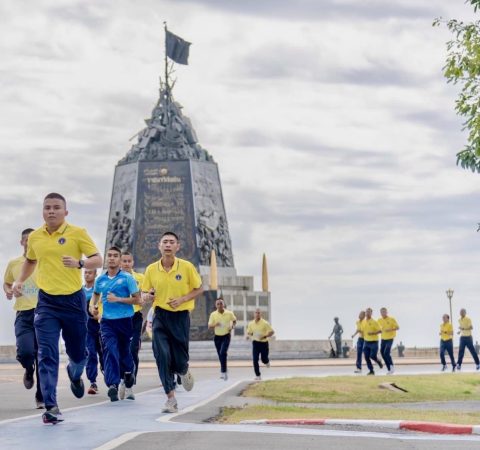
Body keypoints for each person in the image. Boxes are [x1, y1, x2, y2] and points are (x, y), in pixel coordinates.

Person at [12, 193, 102, 424]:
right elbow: (31, 261)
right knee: (47, 354)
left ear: (65, 212)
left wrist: (80, 263)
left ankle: (75, 373)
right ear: (43, 211)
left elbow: (97, 259)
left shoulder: (77, 233)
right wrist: (20, 280)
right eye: (47, 208)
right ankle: (50, 406)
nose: (51, 211)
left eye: (56, 207)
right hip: (46, 303)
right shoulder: (35, 237)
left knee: (78, 353)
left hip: (73, 301)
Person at [142, 231, 204, 413]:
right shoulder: (151, 269)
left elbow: (199, 288)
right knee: (161, 354)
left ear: (177, 246)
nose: (168, 245)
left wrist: (182, 299)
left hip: (180, 317)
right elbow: (145, 292)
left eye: (171, 242)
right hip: (160, 316)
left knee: (179, 360)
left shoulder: (186, 267)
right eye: (165, 242)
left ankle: (183, 370)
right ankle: (171, 398)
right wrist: (147, 296)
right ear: (159, 246)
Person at [90, 247, 141, 402]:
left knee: (124, 351)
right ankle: (112, 384)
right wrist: (92, 306)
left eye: (115, 256)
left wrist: (118, 299)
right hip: (106, 322)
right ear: (106, 259)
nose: (112, 258)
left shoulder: (127, 278)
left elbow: (137, 299)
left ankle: (128, 372)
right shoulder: (100, 280)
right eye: (109, 256)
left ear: (120, 260)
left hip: (125, 320)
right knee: (109, 349)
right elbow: (96, 295)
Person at [3, 228, 43, 409]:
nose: (29, 242)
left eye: (32, 239)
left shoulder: (44, 262)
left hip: (43, 313)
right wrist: (9, 291)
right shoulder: (14, 263)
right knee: (26, 353)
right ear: (21, 242)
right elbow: (7, 283)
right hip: (23, 314)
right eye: (26, 239)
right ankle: (28, 369)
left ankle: (41, 396)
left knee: (43, 356)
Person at [120, 251, 145, 398]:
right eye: (124, 261)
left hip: (135, 316)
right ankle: (122, 379)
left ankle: (129, 384)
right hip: (119, 317)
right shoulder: (114, 278)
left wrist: (145, 297)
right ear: (120, 262)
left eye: (129, 261)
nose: (126, 263)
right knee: (120, 350)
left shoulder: (140, 278)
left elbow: (146, 292)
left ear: (133, 263)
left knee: (133, 348)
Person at [83, 268, 104, 395]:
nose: (87, 274)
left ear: (95, 274)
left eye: (90, 272)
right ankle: (92, 381)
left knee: (103, 352)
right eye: (85, 272)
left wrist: (99, 315)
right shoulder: (80, 291)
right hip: (87, 328)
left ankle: (107, 371)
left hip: (101, 326)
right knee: (90, 353)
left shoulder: (99, 290)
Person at [208, 297, 237, 380]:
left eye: (221, 303)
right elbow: (209, 326)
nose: (220, 305)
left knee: (223, 352)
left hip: (226, 336)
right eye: (218, 304)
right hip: (217, 337)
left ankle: (223, 372)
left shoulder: (229, 313)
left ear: (223, 304)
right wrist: (215, 324)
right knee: (220, 355)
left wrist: (233, 326)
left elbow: (234, 320)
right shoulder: (213, 314)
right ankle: (225, 368)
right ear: (216, 305)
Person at [247, 308, 274, 381]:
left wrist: (264, 336)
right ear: (254, 314)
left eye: (258, 313)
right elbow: (249, 332)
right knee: (255, 359)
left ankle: (267, 362)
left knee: (263, 359)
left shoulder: (265, 323)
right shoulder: (251, 324)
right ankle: (258, 375)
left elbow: (272, 332)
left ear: (260, 314)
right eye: (256, 313)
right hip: (255, 343)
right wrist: (248, 335)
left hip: (264, 343)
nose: (257, 314)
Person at [377, 307, 399, 375]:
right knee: (382, 353)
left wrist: (390, 330)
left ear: (387, 312)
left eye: (384, 312)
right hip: (383, 338)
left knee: (386, 352)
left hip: (390, 338)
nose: (383, 313)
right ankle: (389, 369)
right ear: (380, 313)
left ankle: (392, 366)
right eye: (382, 312)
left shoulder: (392, 319)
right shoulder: (379, 320)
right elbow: (378, 329)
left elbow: (397, 327)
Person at [362, 308, 383, 375]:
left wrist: (373, 333)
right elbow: (363, 330)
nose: (367, 313)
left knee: (373, 356)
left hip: (374, 342)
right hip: (366, 342)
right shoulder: (363, 322)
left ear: (371, 313)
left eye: (369, 312)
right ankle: (371, 371)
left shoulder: (374, 322)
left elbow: (380, 330)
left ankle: (379, 361)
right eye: (366, 312)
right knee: (366, 357)